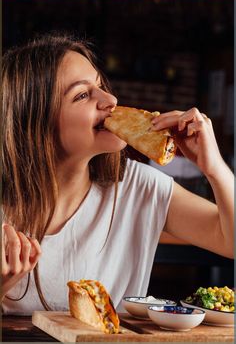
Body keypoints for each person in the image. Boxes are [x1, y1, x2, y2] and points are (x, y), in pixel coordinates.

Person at [1, 34, 233, 314]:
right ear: (34, 122)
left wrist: (215, 168)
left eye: (100, 85)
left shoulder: (139, 187)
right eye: (83, 95)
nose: (110, 100)